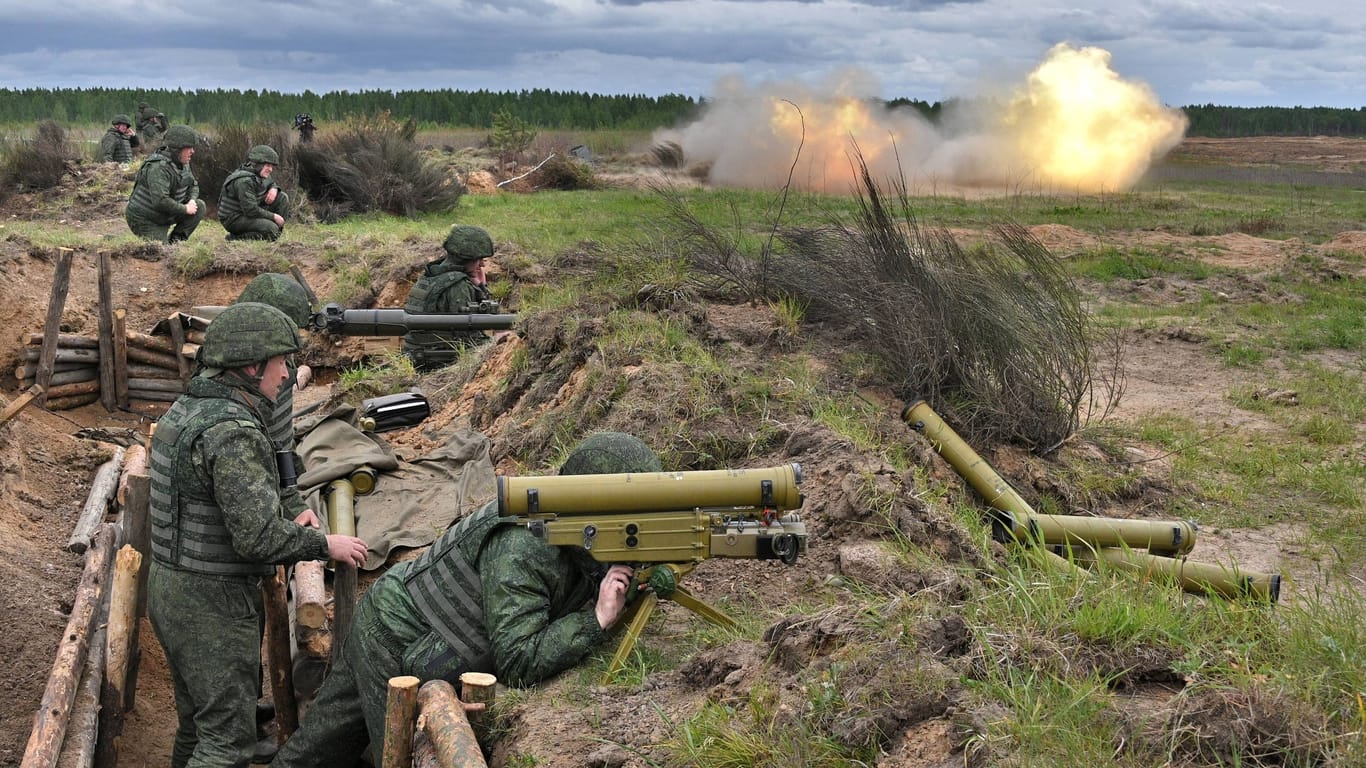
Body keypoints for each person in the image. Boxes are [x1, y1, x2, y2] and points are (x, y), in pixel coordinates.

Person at [272, 431, 660, 768]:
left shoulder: (570, 531)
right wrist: (594, 621)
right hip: (393, 643)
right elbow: (519, 660)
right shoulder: (523, 546)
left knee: (323, 743)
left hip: (406, 631)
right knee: (388, 753)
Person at [148, 301, 369, 768]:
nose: (288, 374)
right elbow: (257, 538)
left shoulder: (190, 408)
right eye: (282, 362)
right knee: (226, 743)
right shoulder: (231, 430)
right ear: (252, 367)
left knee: (198, 726)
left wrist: (291, 508)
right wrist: (324, 545)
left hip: (171, 590)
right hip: (212, 605)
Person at [228, 273, 315, 763]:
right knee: (234, 632)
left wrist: (293, 500)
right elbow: (264, 452)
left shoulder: (265, 368)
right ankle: (234, 728)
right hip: (238, 517)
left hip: (261, 495)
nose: (288, 368)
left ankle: (243, 711)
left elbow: (282, 444)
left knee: (252, 620)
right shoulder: (238, 378)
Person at [401, 224, 497, 371]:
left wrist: (480, 285)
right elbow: (468, 335)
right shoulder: (458, 285)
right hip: (437, 362)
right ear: (467, 259)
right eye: (479, 259)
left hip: (417, 354)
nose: (483, 264)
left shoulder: (431, 274)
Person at [125, 124, 205, 243]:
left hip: (165, 215)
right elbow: (160, 201)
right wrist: (185, 209)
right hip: (145, 219)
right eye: (189, 148)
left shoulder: (182, 163)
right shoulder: (158, 167)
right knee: (160, 252)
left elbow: (193, 185)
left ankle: (177, 241)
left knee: (200, 206)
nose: (192, 151)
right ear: (177, 149)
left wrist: (192, 200)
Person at [219, 145, 290, 241]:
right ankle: (234, 238)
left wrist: (274, 188)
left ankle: (274, 236)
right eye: (268, 165)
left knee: (282, 197)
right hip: (233, 219)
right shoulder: (244, 181)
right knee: (271, 229)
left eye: (272, 166)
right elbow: (251, 210)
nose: (271, 169)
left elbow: (271, 182)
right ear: (258, 164)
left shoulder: (259, 173)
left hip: (246, 213)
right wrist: (274, 217)